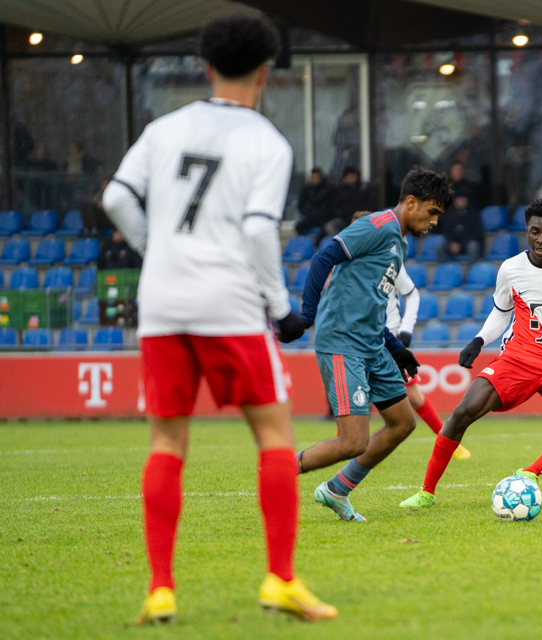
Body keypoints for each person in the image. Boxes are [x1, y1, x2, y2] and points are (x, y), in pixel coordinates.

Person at [102, 14, 336, 624]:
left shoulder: (164, 127)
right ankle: (280, 581)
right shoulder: (267, 142)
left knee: (166, 441)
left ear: (205, 67)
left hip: (162, 304)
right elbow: (259, 228)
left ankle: (160, 590)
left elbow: (116, 197)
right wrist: (282, 308)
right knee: (275, 436)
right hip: (229, 303)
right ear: (266, 72)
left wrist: (158, 251)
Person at [398, 199, 542, 509]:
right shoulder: (512, 268)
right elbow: (502, 313)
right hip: (518, 359)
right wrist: (478, 340)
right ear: (526, 231)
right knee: (462, 412)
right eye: (535, 231)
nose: (541, 239)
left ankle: (530, 473)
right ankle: (427, 492)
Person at [287, 167, 452, 522]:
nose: (435, 221)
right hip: (343, 342)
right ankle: (279, 472)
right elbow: (324, 257)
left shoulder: (399, 243)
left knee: (402, 422)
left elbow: (372, 303)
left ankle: (337, 490)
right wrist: (307, 314)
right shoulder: (378, 226)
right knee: (353, 442)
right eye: (433, 212)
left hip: (372, 344)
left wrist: (397, 349)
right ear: (411, 203)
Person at [382, 244, 472, 462]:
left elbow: (411, 294)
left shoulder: (390, 262)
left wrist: (405, 329)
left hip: (390, 338)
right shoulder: (349, 265)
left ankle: (448, 442)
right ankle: (346, 451)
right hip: (360, 339)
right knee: (355, 398)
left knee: (413, 395)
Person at [435, 188, 483, 264]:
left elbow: (477, 233)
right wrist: (451, 243)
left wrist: (461, 245)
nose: (461, 201)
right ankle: (445, 269)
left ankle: (470, 272)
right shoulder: (450, 215)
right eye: (459, 199)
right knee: (439, 246)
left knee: (473, 246)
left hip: (467, 243)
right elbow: (446, 231)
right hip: (453, 244)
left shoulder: (474, 214)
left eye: (463, 199)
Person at [295, 168, 337, 237]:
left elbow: (332, 206)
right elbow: (301, 205)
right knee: (298, 227)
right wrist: (309, 213)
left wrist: (324, 214)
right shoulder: (306, 189)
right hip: (310, 217)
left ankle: (318, 245)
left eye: (317, 177)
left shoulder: (328, 189)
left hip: (324, 218)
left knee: (325, 230)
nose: (315, 180)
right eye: (313, 177)